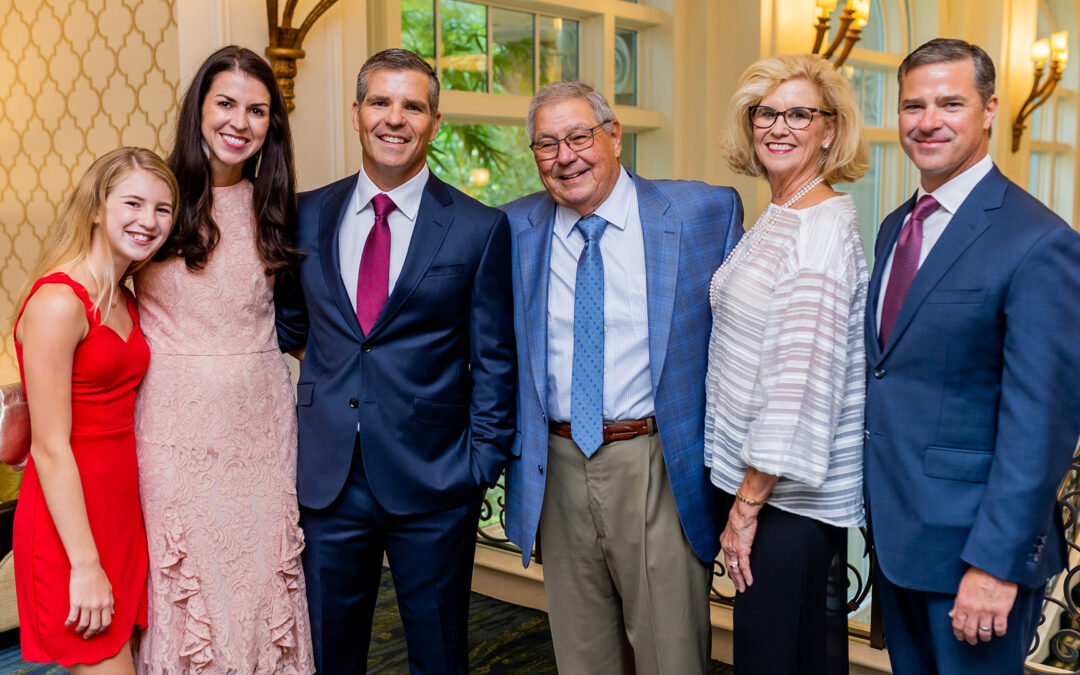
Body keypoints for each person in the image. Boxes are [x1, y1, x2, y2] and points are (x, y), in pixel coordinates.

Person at [274, 48, 515, 674]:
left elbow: (494, 357)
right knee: (329, 653)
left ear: (435, 123)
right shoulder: (306, 214)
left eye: (413, 106)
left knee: (439, 656)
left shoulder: (477, 226)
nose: (395, 118)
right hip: (326, 481)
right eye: (381, 101)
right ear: (356, 113)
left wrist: (479, 464)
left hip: (435, 480)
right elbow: (293, 327)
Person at [500, 80, 743, 674]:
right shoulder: (509, 229)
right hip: (554, 463)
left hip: (656, 459)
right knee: (581, 656)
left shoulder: (703, 212)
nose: (566, 157)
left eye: (580, 136)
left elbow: (745, 342)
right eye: (547, 144)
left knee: (672, 654)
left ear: (613, 136)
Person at [864, 38, 1080, 675]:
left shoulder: (1040, 241)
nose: (927, 121)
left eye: (950, 103)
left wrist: (993, 565)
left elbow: (1040, 424)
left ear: (989, 110)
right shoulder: (897, 224)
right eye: (913, 105)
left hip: (973, 555)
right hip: (900, 536)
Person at [132, 46, 314, 673]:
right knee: (189, 589)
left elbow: (299, 318)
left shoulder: (282, 208)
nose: (240, 121)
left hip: (261, 425)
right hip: (175, 429)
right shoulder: (157, 198)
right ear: (200, 110)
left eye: (257, 110)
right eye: (226, 104)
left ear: (273, 125)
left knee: (264, 585)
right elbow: (97, 283)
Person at [706, 53, 869, 675]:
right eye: (765, 113)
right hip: (765, 493)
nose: (779, 126)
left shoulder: (819, 228)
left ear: (830, 129)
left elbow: (800, 384)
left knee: (772, 659)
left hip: (784, 502)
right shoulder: (783, 212)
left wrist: (747, 506)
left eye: (800, 113)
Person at [12, 147, 177, 673]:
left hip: (121, 515)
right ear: (95, 208)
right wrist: (84, 564)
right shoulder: (59, 302)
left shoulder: (128, 296)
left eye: (162, 209)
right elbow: (49, 447)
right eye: (133, 203)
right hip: (71, 527)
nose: (148, 221)